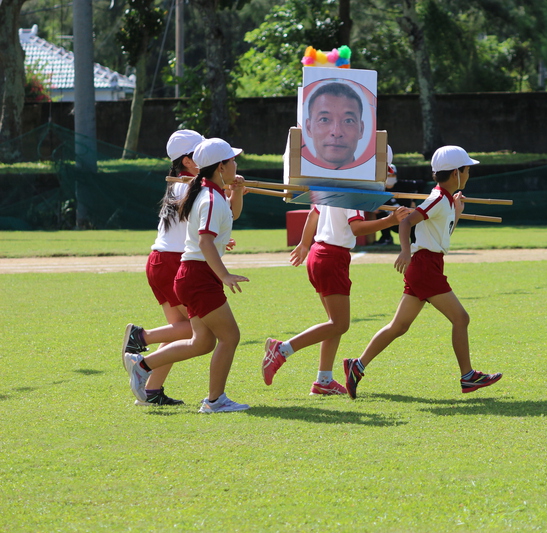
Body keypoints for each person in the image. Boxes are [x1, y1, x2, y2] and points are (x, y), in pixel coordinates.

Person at [342, 146, 503, 398]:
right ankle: (468, 377)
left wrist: (457, 213)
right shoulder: (438, 199)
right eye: (467, 170)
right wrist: (405, 251)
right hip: (425, 266)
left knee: (399, 326)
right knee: (461, 318)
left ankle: (357, 366)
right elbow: (406, 221)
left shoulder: (446, 200)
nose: (469, 174)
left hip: (429, 264)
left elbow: (442, 237)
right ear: (455, 173)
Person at [123, 138, 251, 413]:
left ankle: (142, 365)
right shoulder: (209, 196)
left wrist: (236, 192)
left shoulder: (204, 191)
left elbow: (230, 216)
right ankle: (215, 401)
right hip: (198, 275)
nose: (237, 164)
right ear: (221, 166)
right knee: (230, 337)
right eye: (232, 160)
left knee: (202, 342)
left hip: (192, 274)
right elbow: (205, 242)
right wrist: (225, 275)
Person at [261, 202, 412, 394]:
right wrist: (390, 220)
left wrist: (305, 244)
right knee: (340, 324)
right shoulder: (351, 194)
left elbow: (312, 216)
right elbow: (356, 228)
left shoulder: (329, 189)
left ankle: (323, 381)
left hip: (319, 253)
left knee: (334, 324)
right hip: (332, 257)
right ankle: (282, 350)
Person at [120, 130, 204, 406]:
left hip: (161, 259)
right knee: (195, 330)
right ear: (189, 161)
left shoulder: (180, 184)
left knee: (180, 328)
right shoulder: (186, 186)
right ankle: (140, 337)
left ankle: (151, 390)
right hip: (171, 261)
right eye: (201, 153)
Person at [304, 82, 365, 169]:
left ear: (361, 130)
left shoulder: (374, 180)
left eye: (348, 121)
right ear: (308, 128)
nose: (336, 132)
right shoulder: (297, 181)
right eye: (324, 119)